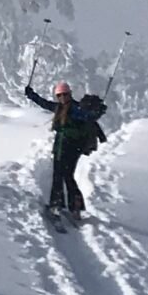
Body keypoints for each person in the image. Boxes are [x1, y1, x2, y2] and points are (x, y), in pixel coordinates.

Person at [24, 78, 106, 216]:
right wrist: (31, 94)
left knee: (59, 175)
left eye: (64, 94)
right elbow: (43, 103)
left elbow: (87, 117)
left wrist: (98, 113)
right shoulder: (61, 107)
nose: (62, 97)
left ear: (70, 94)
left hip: (66, 148)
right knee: (67, 176)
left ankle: (56, 206)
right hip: (70, 149)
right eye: (59, 95)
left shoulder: (74, 108)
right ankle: (75, 207)